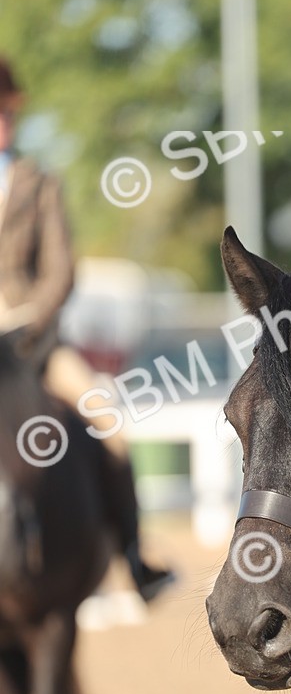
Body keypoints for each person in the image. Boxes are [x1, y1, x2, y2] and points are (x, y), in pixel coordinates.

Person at [0, 57, 173, 602]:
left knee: (105, 416)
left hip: (33, 343)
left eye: (4, 111)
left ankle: (134, 553)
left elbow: (61, 271)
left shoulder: (39, 183)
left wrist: (29, 323)